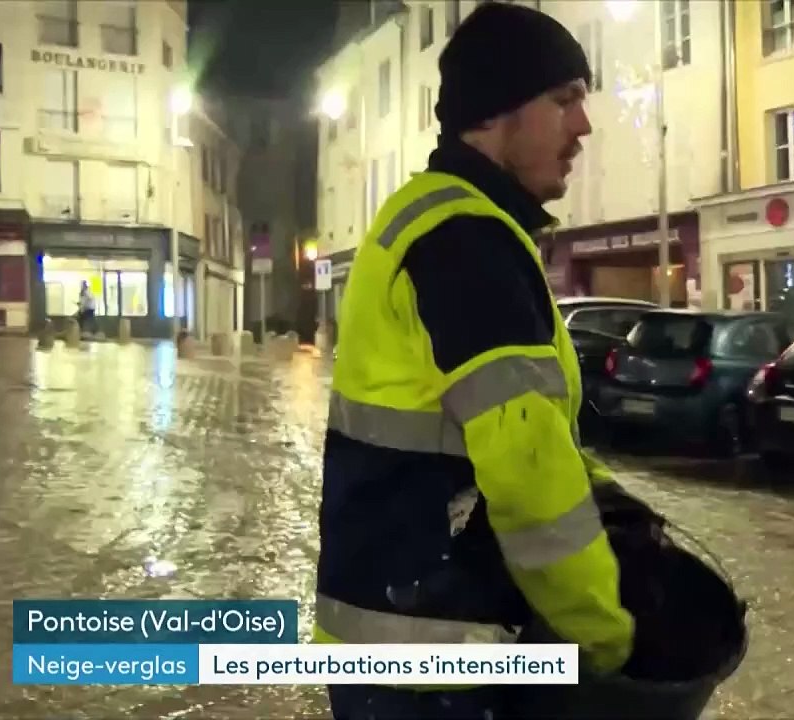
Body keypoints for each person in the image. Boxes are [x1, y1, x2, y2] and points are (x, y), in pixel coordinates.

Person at [313, 4, 636, 719]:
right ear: (495, 113)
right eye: (563, 101)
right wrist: (605, 637)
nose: (583, 125)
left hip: (395, 638)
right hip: (434, 660)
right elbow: (526, 469)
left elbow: (522, 428)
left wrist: (612, 502)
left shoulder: (440, 219)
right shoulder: (467, 240)